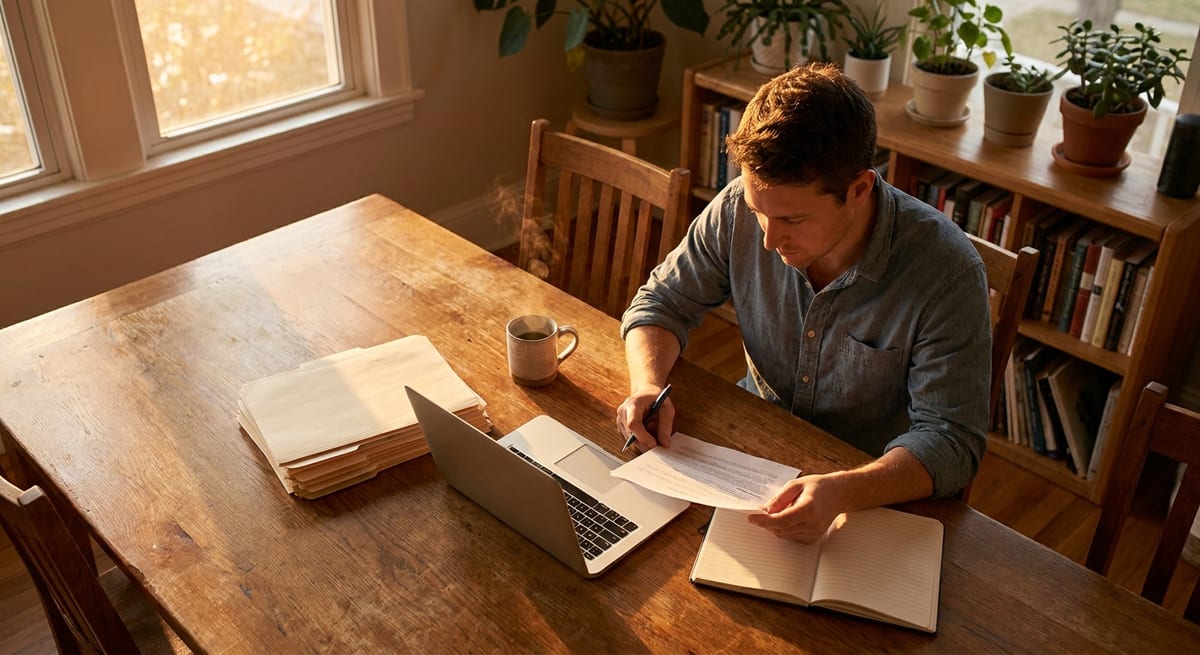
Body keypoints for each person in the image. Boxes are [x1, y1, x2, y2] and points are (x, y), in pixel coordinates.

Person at [615, 62, 992, 543]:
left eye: (793, 219)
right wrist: (647, 384)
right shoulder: (740, 208)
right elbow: (663, 302)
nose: (769, 240)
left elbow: (951, 440)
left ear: (858, 189)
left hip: (870, 484)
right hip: (749, 451)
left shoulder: (946, 272)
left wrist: (844, 491)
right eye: (759, 211)